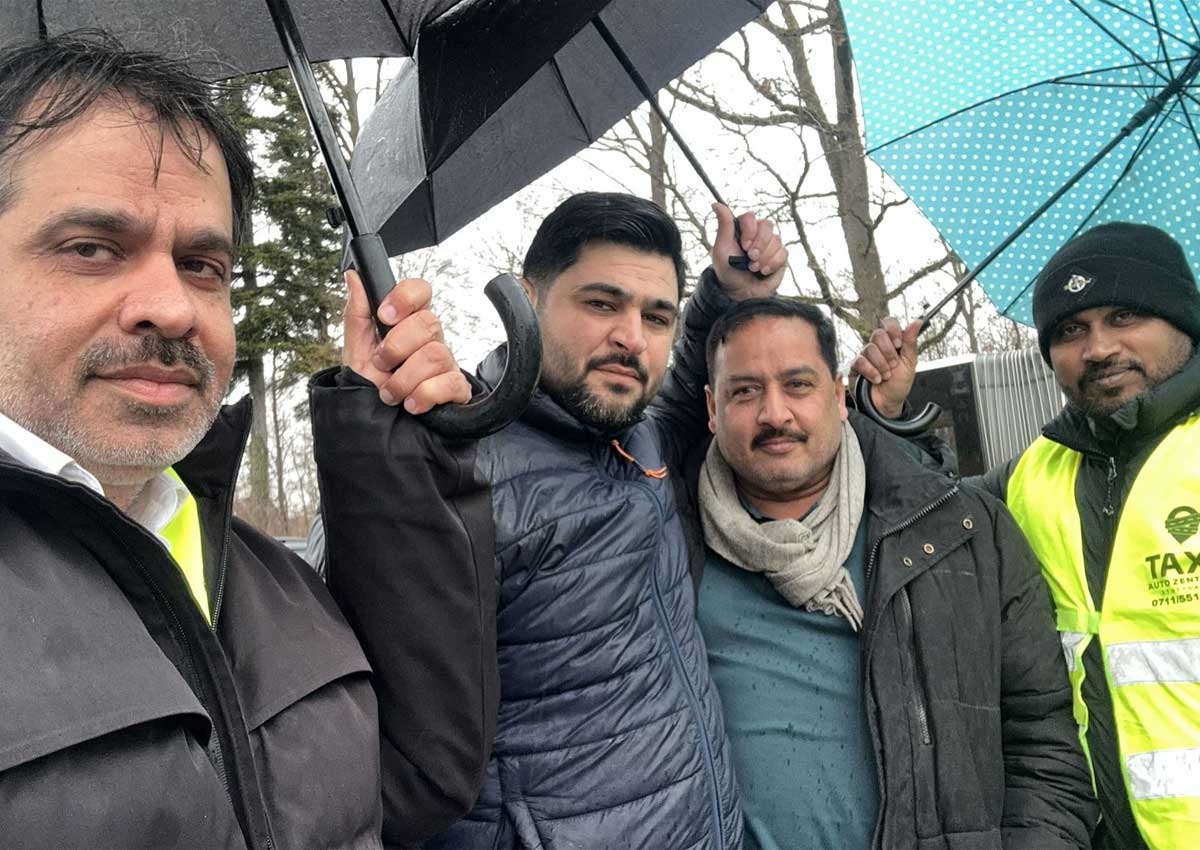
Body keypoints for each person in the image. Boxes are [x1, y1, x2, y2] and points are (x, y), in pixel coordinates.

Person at [0, 33, 494, 847]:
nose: (173, 308)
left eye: (202, 265)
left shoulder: (269, 580)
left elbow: (420, 776)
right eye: (92, 249)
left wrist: (388, 439)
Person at [312, 191, 788, 848]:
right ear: (528, 300)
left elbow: (682, 400)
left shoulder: (641, 440)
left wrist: (727, 292)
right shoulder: (450, 464)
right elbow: (373, 703)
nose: (631, 338)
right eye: (602, 304)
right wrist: (373, 429)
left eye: (657, 317)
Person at [694, 297, 1096, 849]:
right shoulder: (669, 548)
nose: (775, 413)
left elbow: (1042, 738)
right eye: (745, 391)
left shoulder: (964, 532)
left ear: (839, 396)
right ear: (712, 408)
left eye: (798, 385)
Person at [854, 221, 1200, 850]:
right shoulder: (1029, 479)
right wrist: (889, 417)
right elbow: (925, 515)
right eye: (1070, 331)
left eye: (1124, 316)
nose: (1098, 349)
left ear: (1183, 320)